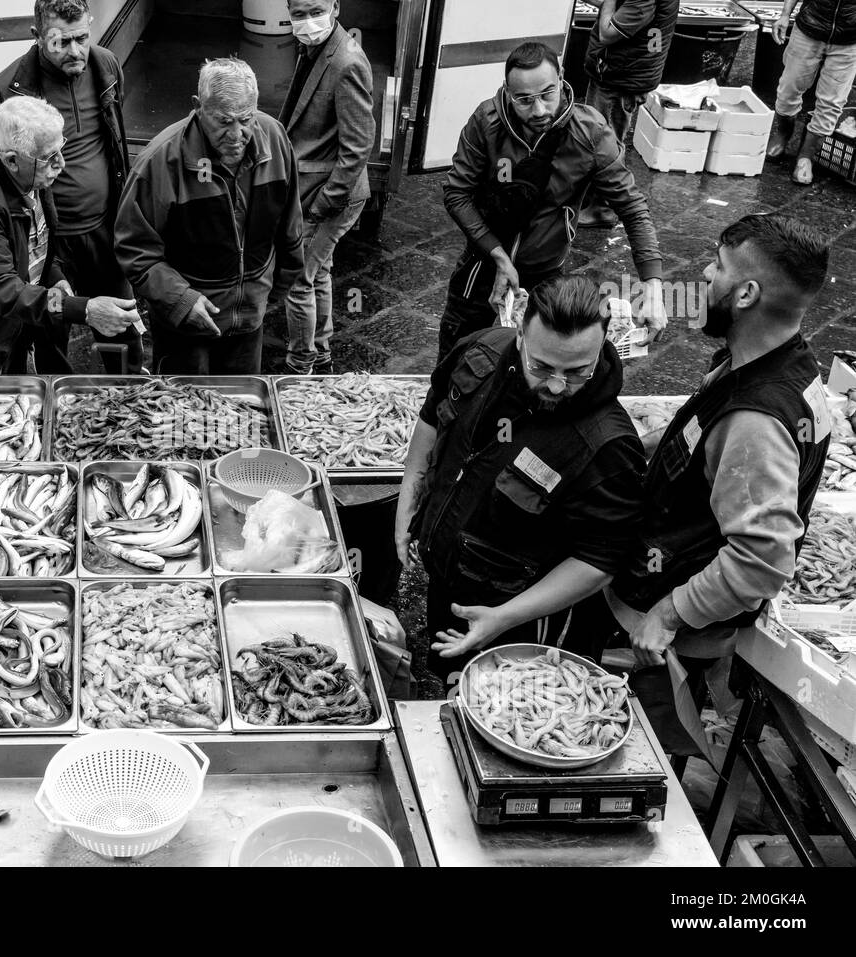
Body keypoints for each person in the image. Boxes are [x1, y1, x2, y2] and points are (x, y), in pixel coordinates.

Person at [605, 215, 833, 754]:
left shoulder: (757, 420)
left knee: (634, 749)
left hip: (670, 641)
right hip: (665, 601)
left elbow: (762, 558)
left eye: (718, 266)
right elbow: (704, 436)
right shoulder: (779, 362)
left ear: (747, 293)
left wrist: (667, 615)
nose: (704, 275)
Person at [393, 275, 646, 688]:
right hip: (450, 577)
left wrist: (503, 618)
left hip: (520, 619)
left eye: (578, 371)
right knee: (445, 673)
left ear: (602, 347)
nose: (556, 385)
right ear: (519, 336)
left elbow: (601, 560)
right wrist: (409, 505)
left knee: (492, 701)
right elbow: (432, 416)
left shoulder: (608, 447)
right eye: (541, 366)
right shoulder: (480, 350)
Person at [439, 41, 666, 361]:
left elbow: (632, 207)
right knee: (457, 353)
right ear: (507, 92)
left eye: (548, 94)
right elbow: (457, 192)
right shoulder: (486, 123)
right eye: (524, 100)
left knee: (535, 360)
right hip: (482, 262)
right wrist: (498, 256)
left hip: (546, 268)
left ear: (561, 79)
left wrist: (653, 285)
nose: (539, 110)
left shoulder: (590, 132)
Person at [0, 0, 144, 374]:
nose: (75, 51)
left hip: (103, 228)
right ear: (37, 37)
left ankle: (128, 390)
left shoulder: (106, 65)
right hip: (46, 239)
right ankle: (55, 400)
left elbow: (113, 140)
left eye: (82, 37)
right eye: (60, 42)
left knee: (122, 324)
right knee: (51, 327)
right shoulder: (3, 95)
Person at [0, 95, 138, 375]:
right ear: (11, 160)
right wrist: (85, 310)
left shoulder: (33, 173)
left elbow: (40, 243)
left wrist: (55, 276)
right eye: (49, 157)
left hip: (10, 324)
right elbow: (2, 288)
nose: (62, 164)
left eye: (61, 149)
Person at [116, 57, 304, 375]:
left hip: (249, 320)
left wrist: (275, 289)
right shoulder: (160, 161)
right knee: (183, 415)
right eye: (223, 121)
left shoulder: (275, 138)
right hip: (184, 326)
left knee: (240, 411)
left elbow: (290, 226)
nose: (236, 134)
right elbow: (135, 250)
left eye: (246, 120)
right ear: (198, 107)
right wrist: (182, 300)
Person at [278, 0, 375, 375]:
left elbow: (358, 146)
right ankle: (319, 352)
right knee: (318, 272)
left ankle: (299, 364)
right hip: (318, 188)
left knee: (298, 280)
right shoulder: (314, 48)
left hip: (333, 194)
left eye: (314, 11)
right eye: (298, 14)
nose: (307, 22)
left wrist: (323, 205)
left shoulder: (346, 62)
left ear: (335, 6)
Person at [578, 0, 680, 227]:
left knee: (606, 144)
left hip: (621, 78)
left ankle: (602, 208)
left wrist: (609, 2)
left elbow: (608, 32)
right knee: (598, 138)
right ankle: (591, 198)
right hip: (616, 71)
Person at [765, 0, 856, 185]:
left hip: (850, 40)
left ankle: (806, 156)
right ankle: (783, 132)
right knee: (788, 88)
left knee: (832, 102)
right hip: (810, 27)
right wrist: (785, 15)